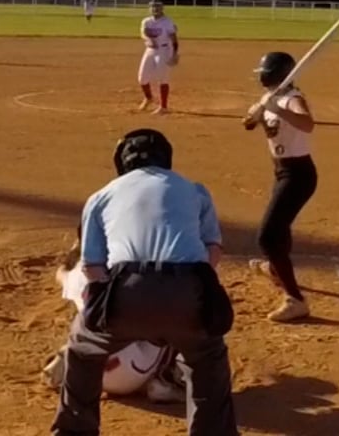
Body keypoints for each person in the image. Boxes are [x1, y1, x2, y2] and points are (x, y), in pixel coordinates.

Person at [53, 129, 238, 436]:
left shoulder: (101, 196)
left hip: (127, 288)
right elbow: (213, 251)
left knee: (83, 349)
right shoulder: (195, 190)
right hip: (188, 291)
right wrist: (191, 288)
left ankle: (74, 432)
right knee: (207, 357)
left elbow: (92, 267)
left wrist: (108, 305)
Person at [42, 231, 188, 404]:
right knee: (178, 311)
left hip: (93, 370)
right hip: (131, 369)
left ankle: (70, 356)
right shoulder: (137, 268)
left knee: (85, 319)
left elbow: (60, 274)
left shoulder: (77, 273)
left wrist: (75, 252)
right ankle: (166, 379)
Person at [241, 51, 317, 323]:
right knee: (280, 229)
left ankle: (296, 300)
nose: (261, 76)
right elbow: (250, 125)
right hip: (282, 171)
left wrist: (276, 108)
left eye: (264, 72)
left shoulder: (292, 98)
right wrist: (255, 116)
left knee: (268, 236)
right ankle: (275, 268)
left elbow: (307, 124)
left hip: (299, 175)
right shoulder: (270, 97)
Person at [138, 1, 180, 115]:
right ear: (149, 9)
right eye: (152, 7)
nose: (155, 9)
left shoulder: (167, 22)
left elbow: (174, 38)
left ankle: (163, 107)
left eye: (157, 7)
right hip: (150, 50)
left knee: (163, 78)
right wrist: (149, 40)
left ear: (162, 8)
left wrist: (175, 54)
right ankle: (149, 98)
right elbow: (143, 33)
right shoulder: (146, 21)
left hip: (164, 50)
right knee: (142, 78)